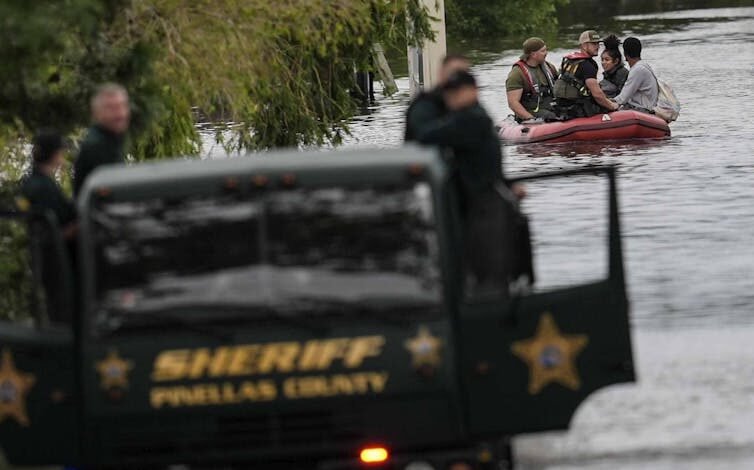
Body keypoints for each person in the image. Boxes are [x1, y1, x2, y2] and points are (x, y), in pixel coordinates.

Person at [415, 71, 532, 295]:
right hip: (484, 200)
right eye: (449, 93)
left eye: (456, 92)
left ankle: (488, 311)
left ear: (472, 91)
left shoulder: (471, 119)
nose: (451, 98)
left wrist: (421, 104)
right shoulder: (475, 116)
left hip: (485, 205)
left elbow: (425, 134)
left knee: (486, 268)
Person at [19, 129, 77, 323]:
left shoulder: (33, 183)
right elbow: (51, 230)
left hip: (47, 262)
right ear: (54, 155)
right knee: (62, 318)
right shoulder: (43, 188)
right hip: (57, 263)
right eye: (61, 152)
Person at [73, 83, 131, 196]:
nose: (120, 114)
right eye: (112, 108)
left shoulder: (112, 139)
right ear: (96, 113)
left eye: (123, 106)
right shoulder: (97, 146)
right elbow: (112, 194)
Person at [404, 54, 470, 142]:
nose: (460, 78)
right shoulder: (424, 105)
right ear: (441, 73)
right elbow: (423, 136)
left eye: (465, 73)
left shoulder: (470, 105)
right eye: (454, 73)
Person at [553, 30, 619, 118]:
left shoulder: (568, 61)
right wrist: (612, 106)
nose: (597, 47)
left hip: (561, 106)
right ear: (584, 45)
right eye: (593, 44)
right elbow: (597, 95)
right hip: (577, 108)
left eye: (598, 44)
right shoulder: (588, 65)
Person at [505, 37, 559, 122]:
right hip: (532, 112)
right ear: (533, 54)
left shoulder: (549, 67)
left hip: (552, 107)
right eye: (543, 51)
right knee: (551, 116)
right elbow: (513, 103)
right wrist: (531, 120)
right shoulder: (517, 74)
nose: (546, 53)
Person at [612, 37, 659, 113]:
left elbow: (622, 98)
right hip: (647, 106)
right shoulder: (644, 66)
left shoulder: (637, 70)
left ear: (625, 53)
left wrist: (606, 102)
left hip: (644, 109)